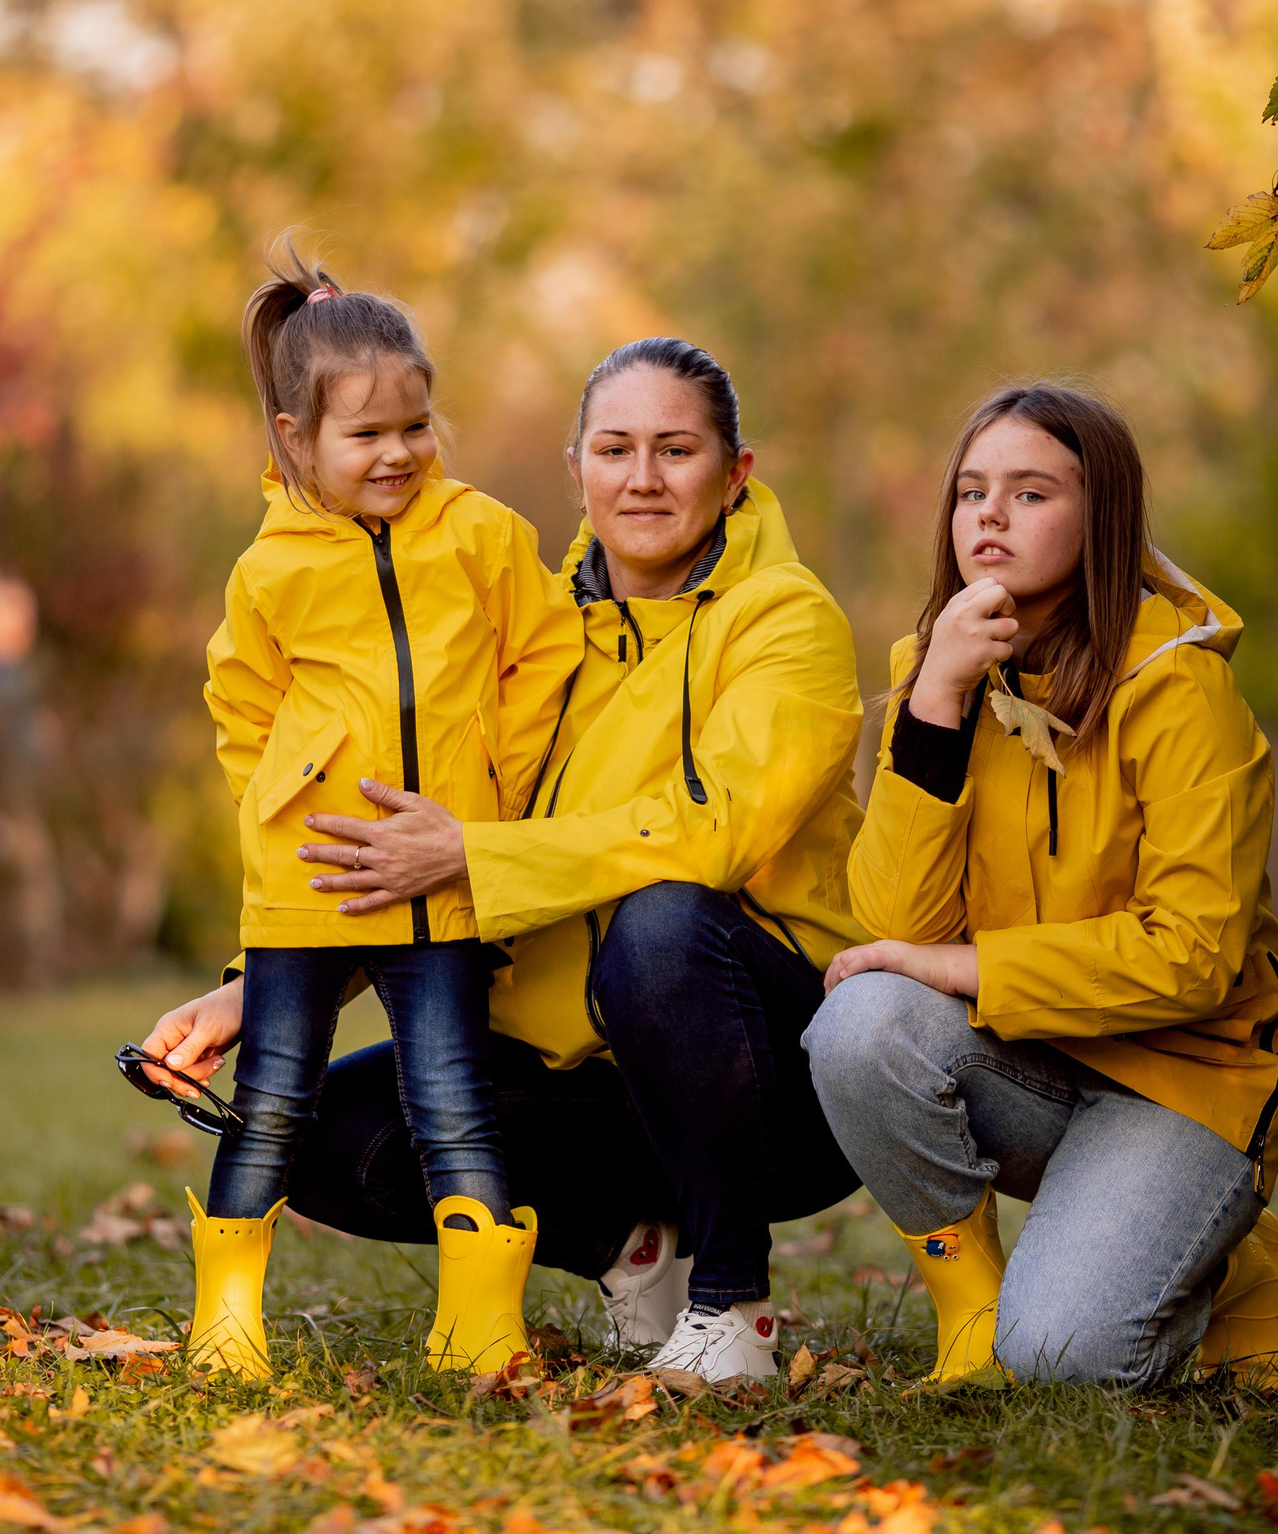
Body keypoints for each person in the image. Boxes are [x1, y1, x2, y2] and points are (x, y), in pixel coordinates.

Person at [141, 337, 866, 1381]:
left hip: (769, 1077)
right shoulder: (529, 626)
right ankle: (631, 1250)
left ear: (736, 471)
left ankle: (730, 1305)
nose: (643, 478)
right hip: (584, 1070)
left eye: (677, 449)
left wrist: (475, 854)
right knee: (310, 1134)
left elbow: (720, 831)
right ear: (576, 468)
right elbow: (420, 859)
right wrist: (258, 994)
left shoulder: (785, 622)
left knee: (663, 917)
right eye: (615, 448)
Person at [803, 383, 1278, 1388]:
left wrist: (960, 966)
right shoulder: (935, 674)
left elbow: (1193, 958)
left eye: (1030, 494)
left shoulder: (1179, 690)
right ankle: (971, 1319)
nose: (987, 516)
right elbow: (893, 922)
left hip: (1184, 1081)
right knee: (861, 1023)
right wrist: (938, 704)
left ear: (1103, 519)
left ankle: (1228, 1272)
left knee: (1068, 1358)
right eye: (970, 491)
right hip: (1027, 1059)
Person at [174, 239, 581, 1381]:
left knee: (452, 1098)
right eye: (367, 434)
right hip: (307, 891)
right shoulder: (271, 570)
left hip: (446, 885)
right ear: (294, 439)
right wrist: (280, 815)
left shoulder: (487, 536)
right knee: (272, 1101)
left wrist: (491, 805)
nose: (398, 453)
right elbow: (240, 708)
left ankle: (477, 1323)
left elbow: (542, 662)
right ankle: (226, 1319)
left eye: (416, 426)